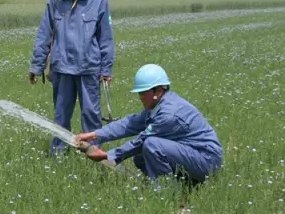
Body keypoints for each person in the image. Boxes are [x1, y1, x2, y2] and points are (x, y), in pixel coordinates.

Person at [74, 64, 223, 185]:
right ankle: (184, 184)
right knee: (141, 157)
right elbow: (129, 123)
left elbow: (141, 141)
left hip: (207, 161)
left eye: (143, 92)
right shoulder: (160, 105)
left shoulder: (168, 115)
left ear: (158, 91)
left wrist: (108, 155)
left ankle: (167, 193)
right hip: (193, 155)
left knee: (151, 145)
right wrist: (94, 135)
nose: (140, 97)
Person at [28, 0, 115, 155]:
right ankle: (58, 155)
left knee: (91, 115)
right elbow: (44, 34)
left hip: (88, 68)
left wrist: (107, 69)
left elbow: (106, 38)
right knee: (61, 116)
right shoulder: (56, 0)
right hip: (62, 69)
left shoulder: (98, 0)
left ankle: (94, 155)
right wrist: (36, 66)